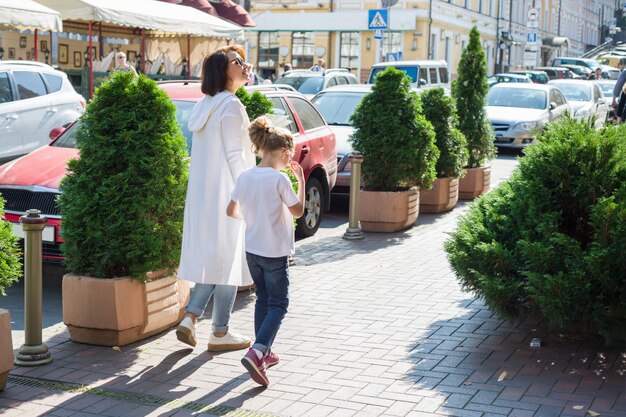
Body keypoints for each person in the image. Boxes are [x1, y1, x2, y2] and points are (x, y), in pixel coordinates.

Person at [176, 45, 256, 352]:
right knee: (228, 262)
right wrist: (247, 190)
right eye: (238, 62)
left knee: (217, 260)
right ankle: (218, 331)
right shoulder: (230, 105)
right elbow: (235, 156)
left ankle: (193, 319)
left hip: (205, 196)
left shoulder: (205, 105)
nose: (245, 65)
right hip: (229, 195)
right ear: (224, 71)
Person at [226, 116, 305, 387]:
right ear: (284, 153)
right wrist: (301, 181)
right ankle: (258, 351)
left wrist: (252, 218)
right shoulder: (280, 179)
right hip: (274, 252)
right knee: (279, 304)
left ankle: (264, 352)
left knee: (262, 299)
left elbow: (231, 210)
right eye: (289, 155)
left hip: (252, 250)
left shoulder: (246, 177)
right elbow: (298, 211)